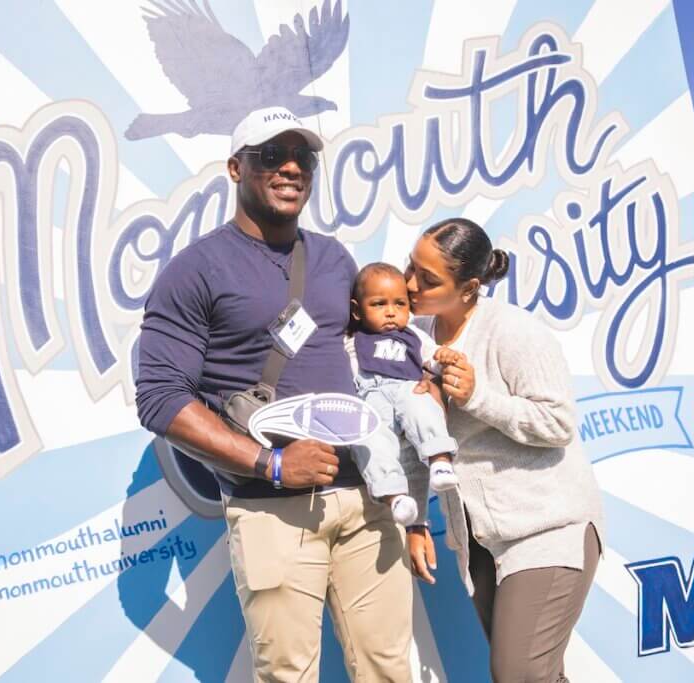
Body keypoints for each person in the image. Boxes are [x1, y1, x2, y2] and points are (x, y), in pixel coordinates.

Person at [134, 106, 412, 682]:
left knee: (389, 670)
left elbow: (375, 358)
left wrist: (430, 372)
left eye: (303, 157)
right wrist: (274, 463)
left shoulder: (335, 258)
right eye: (271, 156)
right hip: (272, 509)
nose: (290, 168)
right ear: (236, 168)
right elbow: (160, 399)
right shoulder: (195, 271)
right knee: (289, 675)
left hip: (364, 500)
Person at [403, 218, 604, 683]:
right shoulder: (416, 338)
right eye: (410, 268)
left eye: (428, 280)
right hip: (478, 544)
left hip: (547, 530)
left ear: (470, 287)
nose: (411, 285)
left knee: (519, 675)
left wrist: (478, 398)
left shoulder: (513, 332)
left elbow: (557, 423)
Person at [347, 262, 459, 527]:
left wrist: (443, 358)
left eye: (399, 304)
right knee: (370, 440)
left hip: (407, 387)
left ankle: (440, 461)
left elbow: (433, 358)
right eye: (378, 304)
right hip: (371, 398)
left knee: (423, 407)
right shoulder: (351, 340)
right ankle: (395, 496)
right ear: (356, 310)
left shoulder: (414, 336)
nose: (390, 313)